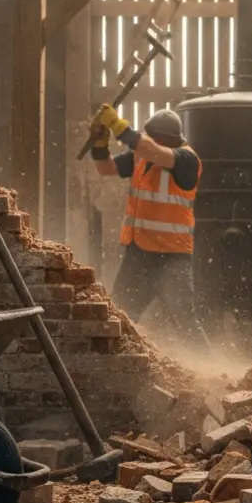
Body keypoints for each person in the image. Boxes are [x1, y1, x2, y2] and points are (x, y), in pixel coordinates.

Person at [91, 104, 212, 353]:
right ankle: (110, 363)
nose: (145, 142)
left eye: (151, 138)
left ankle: (212, 369)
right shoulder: (143, 157)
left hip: (172, 258)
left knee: (185, 322)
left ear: (165, 140)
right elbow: (106, 168)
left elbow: (149, 148)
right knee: (120, 317)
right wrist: (99, 144)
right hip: (140, 253)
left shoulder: (186, 159)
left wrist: (118, 126)